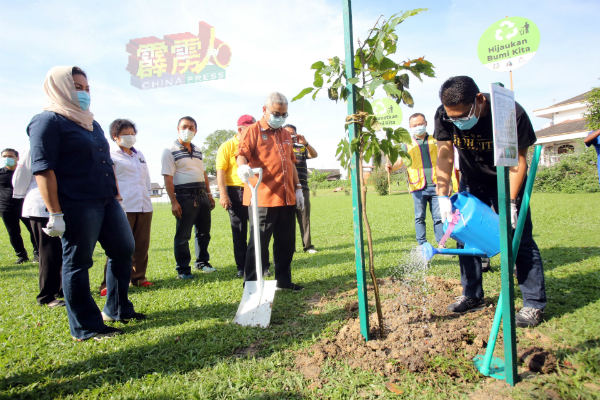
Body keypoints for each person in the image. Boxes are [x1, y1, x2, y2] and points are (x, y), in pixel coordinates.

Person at [28, 66, 145, 341]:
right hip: (77, 202)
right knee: (78, 261)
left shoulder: (90, 123)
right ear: (59, 88)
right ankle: (86, 326)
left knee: (124, 249)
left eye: (86, 88)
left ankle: (117, 309)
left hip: (106, 200)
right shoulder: (47, 122)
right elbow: (44, 170)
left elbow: (105, 161)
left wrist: (115, 193)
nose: (83, 94)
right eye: (77, 87)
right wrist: (55, 213)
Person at [434, 76, 547, 328]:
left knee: (519, 238)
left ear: (479, 100)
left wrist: (511, 202)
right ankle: (472, 294)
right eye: (454, 119)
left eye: (463, 116)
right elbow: (444, 154)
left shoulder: (509, 112)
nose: (459, 122)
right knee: (464, 237)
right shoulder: (444, 114)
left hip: (507, 180)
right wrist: (442, 194)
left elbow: (519, 160)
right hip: (471, 182)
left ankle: (533, 303)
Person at [236, 92, 305, 291]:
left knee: (286, 243)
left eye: (284, 114)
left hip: (286, 197)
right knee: (258, 243)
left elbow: (291, 163)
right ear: (265, 110)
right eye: (276, 113)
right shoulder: (253, 131)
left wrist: (298, 188)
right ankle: (251, 284)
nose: (280, 117)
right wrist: (242, 167)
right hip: (263, 197)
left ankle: (284, 281)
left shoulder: (285, 134)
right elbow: (241, 154)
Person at [98, 119, 154, 297]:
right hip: (123, 206)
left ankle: (138, 278)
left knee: (142, 244)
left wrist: (148, 195)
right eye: (125, 134)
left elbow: (146, 179)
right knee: (118, 246)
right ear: (115, 137)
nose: (130, 137)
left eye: (132, 133)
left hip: (143, 205)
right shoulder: (110, 155)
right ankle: (108, 283)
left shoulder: (140, 155)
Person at [386, 113, 454, 247]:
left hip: (437, 185)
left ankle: (442, 244)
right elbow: (400, 162)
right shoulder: (407, 144)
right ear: (410, 127)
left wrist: (448, 182)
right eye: (415, 125)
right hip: (417, 186)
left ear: (426, 123)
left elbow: (446, 160)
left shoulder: (436, 140)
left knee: (439, 217)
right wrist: (391, 167)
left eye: (420, 124)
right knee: (419, 217)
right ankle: (422, 244)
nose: (418, 127)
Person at [162, 116, 216, 279]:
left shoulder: (198, 150)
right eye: (184, 127)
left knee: (204, 233)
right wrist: (174, 202)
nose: (188, 130)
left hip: (202, 196)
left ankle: (202, 263)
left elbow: (204, 173)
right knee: (183, 235)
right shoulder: (169, 150)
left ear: (196, 131)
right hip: (185, 196)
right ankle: (183, 269)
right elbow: (168, 178)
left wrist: (209, 194)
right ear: (178, 129)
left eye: (191, 127)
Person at [216, 115, 270, 279]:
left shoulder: (256, 144)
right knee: (239, 231)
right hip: (235, 191)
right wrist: (223, 195)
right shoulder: (227, 146)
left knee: (259, 229)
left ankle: (264, 266)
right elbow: (220, 171)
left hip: (254, 189)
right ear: (240, 129)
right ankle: (241, 266)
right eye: (249, 128)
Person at [12, 148, 64, 307]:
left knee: (64, 251)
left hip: (66, 204)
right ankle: (46, 296)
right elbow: (20, 179)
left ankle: (62, 289)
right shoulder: (35, 148)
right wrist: (22, 194)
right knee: (50, 252)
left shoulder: (69, 143)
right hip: (42, 205)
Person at [284, 124, 318, 254]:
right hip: (286, 189)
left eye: (292, 133)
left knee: (304, 218)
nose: (290, 135)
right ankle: (290, 248)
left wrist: (306, 143)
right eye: (287, 133)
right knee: (287, 219)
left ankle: (308, 246)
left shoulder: (301, 148)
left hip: (302, 188)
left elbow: (314, 155)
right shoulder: (280, 148)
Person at [0, 148, 38, 264]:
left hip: (24, 206)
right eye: (5, 156)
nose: (8, 158)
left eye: (10, 156)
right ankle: (21, 255)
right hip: (6, 208)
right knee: (13, 233)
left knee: (33, 230)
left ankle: (37, 254)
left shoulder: (24, 172)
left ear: (17, 158)